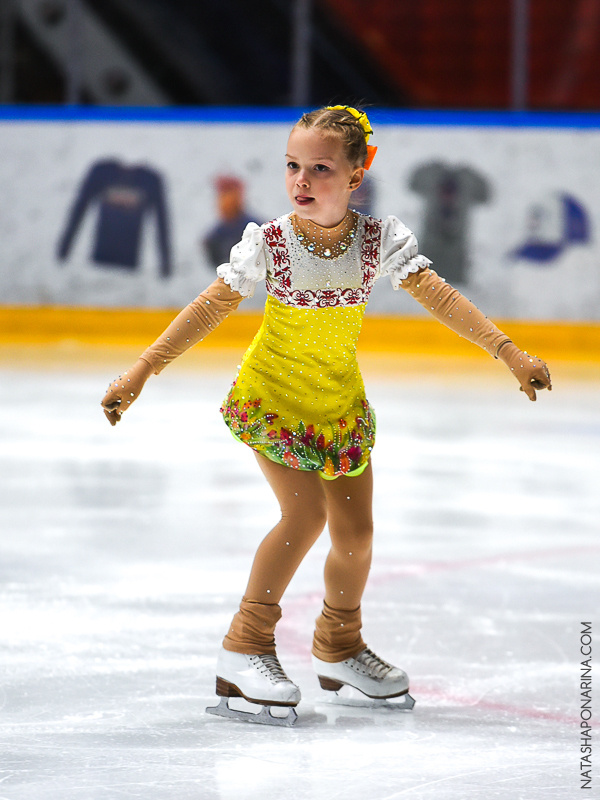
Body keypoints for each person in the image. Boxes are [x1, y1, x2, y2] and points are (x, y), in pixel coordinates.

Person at [101, 106, 552, 722]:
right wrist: (142, 370)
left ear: (357, 174)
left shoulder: (377, 241)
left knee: (356, 536)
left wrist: (509, 352)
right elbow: (209, 307)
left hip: (338, 406)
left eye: (320, 168)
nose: (302, 180)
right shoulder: (270, 243)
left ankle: (339, 645)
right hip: (274, 400)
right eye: (293, 166)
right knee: (304, 514)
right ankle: (245, 644)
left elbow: (441, 297)